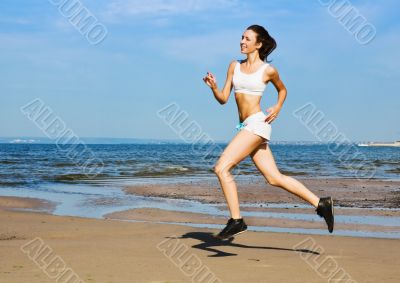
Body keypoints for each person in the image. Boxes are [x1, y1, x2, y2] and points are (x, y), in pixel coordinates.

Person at [202, 24, 334, 240]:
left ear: (259, 44)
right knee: (274, 178)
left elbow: (283, 89)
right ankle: (321, 203)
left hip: (257, 124)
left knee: (221, 168)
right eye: (241, 38)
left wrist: (278, 106)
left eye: (247, 39)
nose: (242, 42)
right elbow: (224, 99)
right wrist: (214, 87)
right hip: (246, 127)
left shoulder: (267, 70)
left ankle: (236, 220)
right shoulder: (234, 66)